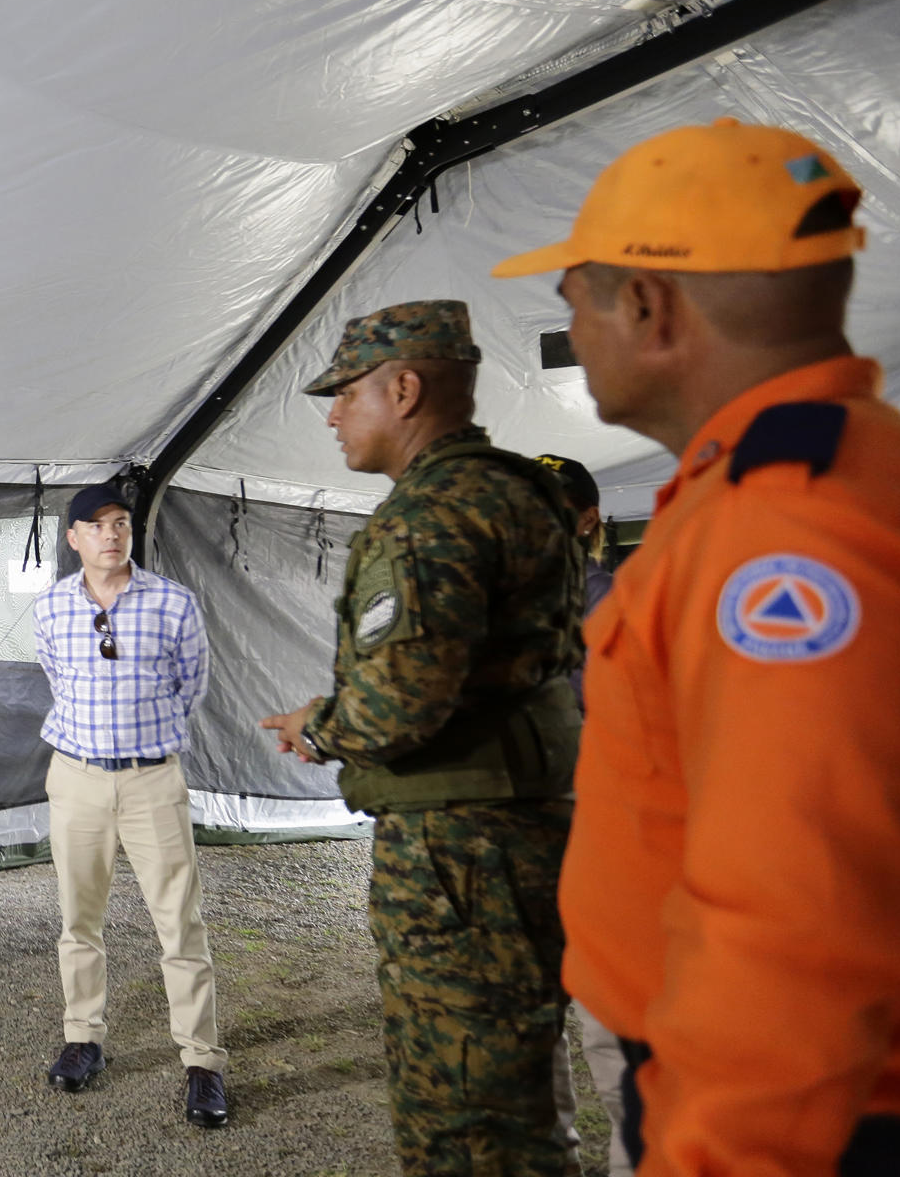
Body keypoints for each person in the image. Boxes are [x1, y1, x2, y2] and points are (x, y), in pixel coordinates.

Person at [493, 117, 900, 1175]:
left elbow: (792, 928)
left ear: (648, 305)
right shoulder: (814, 477)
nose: (573, 334)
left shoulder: (779, 533)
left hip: (803, 1123)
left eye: (574, 299)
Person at [259, 300, 584, 1175]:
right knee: (518, 1095)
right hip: (512, 840)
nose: (332, 415)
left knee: (467, 1120)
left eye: (345, 395)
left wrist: (321, 728)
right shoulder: (522, 491)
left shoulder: (430, 515)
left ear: (403, 389)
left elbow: (400, 705)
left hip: (460, 856)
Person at [31, 484, 229, 1128]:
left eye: (120, 524)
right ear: (74, 539)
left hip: (151, 781)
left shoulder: (173, 603)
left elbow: (190, 686)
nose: (111, 535)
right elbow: (58, 678)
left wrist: (142, 742)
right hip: (77, 779)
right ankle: (83, 1038)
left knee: (180, 923)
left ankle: (202, 1061)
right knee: (78, 920)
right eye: (96, 526)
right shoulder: (52, 607)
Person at [535, 452, 630, 1177]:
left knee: (611, 1030)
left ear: (586, 520)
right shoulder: (497, 608)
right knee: (530, 1040)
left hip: (592, 840)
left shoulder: (611, 608)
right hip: (518, 848)